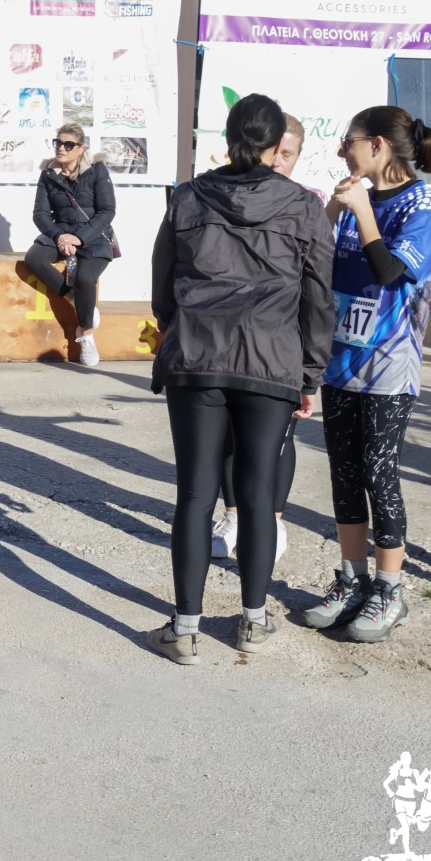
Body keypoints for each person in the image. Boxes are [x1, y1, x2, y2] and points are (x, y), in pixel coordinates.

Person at [151, 93, 334, 664]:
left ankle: (185, 628)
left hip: (197, 358)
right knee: (257, 495)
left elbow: (162, 283)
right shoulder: (303, 206)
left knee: (195, 493)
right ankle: (253, 620)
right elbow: (318, 298)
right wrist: (310, 373)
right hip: (271, 360)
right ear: (277, 146)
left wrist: (178, 330)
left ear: (228, 139)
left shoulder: (187, 197)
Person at [300, 107, 431, 643]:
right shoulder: (351, 199)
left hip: (388, 363)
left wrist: (362, 210)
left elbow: (389, 271)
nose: (343, 150)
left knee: (377, 472)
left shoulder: (422, 203)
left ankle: (390, 587)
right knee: (343, 473)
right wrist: (333, 210)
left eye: (350, 141)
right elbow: (311, 262)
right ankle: (351, 578)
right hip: (340, 358)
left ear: (378, 145)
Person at [211, 113, 315, 561]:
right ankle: (233, 516)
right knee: (227, 435)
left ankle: (273, 519)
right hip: (224, 342)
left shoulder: (308, 203)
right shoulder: (223, 196)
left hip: (281, 344)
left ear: (297, 156)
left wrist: (312, 368)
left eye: (287, 155)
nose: (277, 162)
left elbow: (317, 288)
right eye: (274, 152)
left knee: (280, 438)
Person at [23, 122, 115, 367]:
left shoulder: (96, 170)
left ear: (81, 148)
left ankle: (86, 335)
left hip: (93, 235)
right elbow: (40, 214)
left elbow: (107, 211)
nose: (61, 148)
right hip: (61, 232)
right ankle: (74, 298)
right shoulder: (48, 174)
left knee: (85, 279)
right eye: (58, 143)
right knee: (34, 258)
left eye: (68, 144)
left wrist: (79, 237)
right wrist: (59, 237)